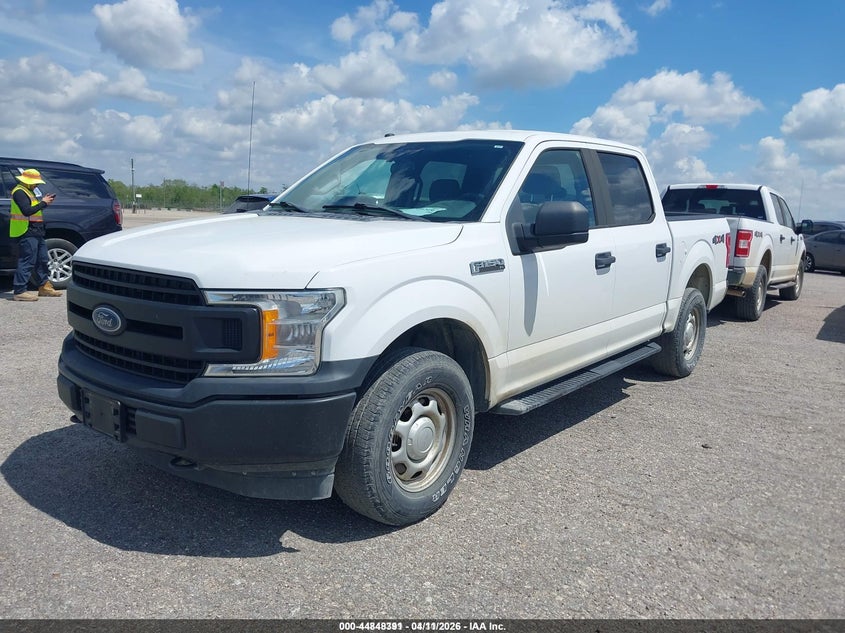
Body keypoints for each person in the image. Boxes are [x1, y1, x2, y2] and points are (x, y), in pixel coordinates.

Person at [9, 168, 63, 301]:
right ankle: (20, 291)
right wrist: (43, 203)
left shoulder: (29, 191)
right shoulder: (20, 192)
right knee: (27, 260)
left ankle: (44, 287)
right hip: (26, 231)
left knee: (43, 260)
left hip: (36, 231)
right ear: (27, 181)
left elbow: (34, 210)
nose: (37, 185)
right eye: (35, 182)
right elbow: (27, 211)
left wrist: (44, 204)